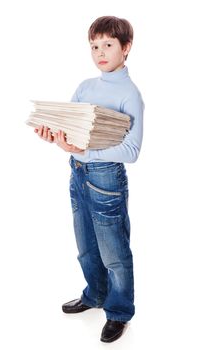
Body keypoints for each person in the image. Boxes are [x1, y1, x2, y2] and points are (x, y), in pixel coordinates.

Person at [34, 15, 144, 343]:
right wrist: (55, 137)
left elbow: (132, 150)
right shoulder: (84, 87)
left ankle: (119, 311)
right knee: (85, 247)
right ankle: (95, 294)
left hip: (106, 179)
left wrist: (88, 153)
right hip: (77, 174)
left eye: (108, 44)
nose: (100, 51)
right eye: (94, 45)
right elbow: (69, 131)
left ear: (126, 48)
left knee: (114, 253)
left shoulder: (130, 94)